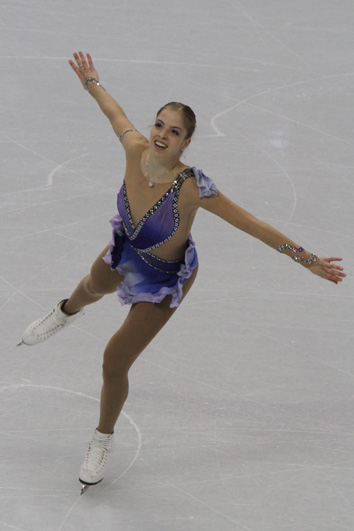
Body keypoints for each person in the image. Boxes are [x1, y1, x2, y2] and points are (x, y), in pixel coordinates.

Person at [19, 51, 346, 489]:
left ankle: (102, 438)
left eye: (174, 132)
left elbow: (253, 225)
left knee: (113, 360)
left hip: (163, 279)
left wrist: (306, 259)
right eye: (159, 124)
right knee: (93, 284)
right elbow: (113, 112)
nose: (161, 134)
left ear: (186, 142)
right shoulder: (134, 148)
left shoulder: (192, 186)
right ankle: (64, 312)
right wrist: (92, 82)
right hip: (126, 249)